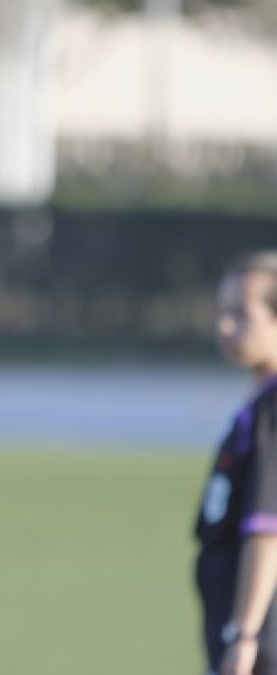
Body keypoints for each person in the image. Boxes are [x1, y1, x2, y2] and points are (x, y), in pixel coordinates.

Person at [196, 251, 277, 675]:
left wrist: (245, 636)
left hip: (260, 642)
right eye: (222, 312)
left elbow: (268, 529)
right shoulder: (260, 405)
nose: (224, 326)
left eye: (241, 315)